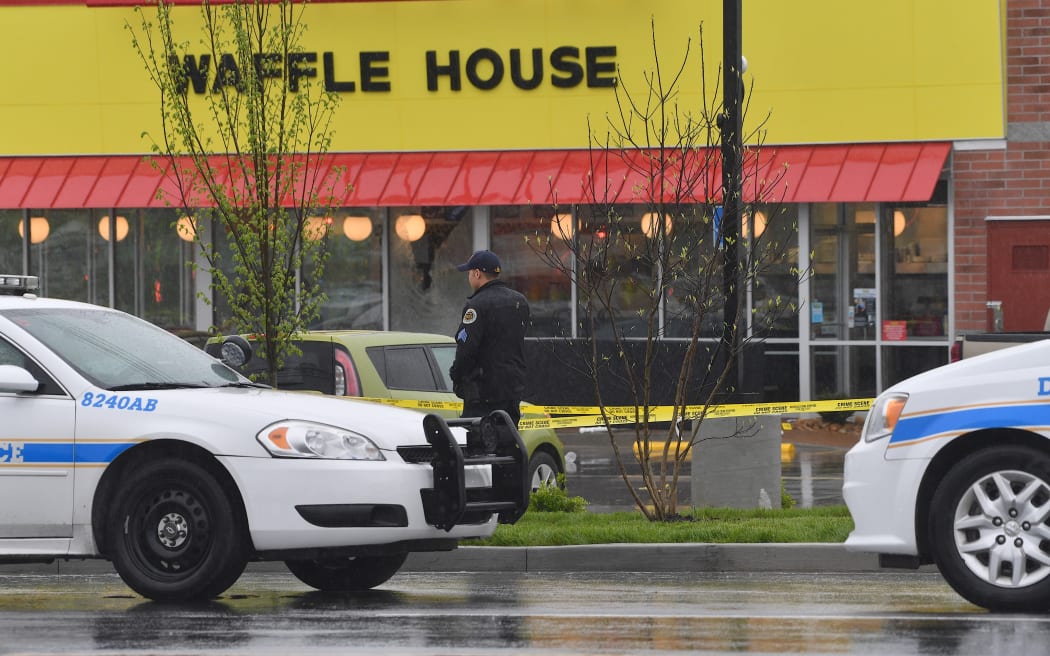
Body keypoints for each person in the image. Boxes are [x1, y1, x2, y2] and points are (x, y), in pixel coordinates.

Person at [449, 249, 530, 426]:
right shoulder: (519, 301)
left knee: (479, 447)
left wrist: (456, 375)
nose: (469, 277)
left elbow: (467, 350)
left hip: (483, 393)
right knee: (508, 444)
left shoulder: (477, 305)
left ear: (477, 273)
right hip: (512, 390)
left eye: (469, 273)